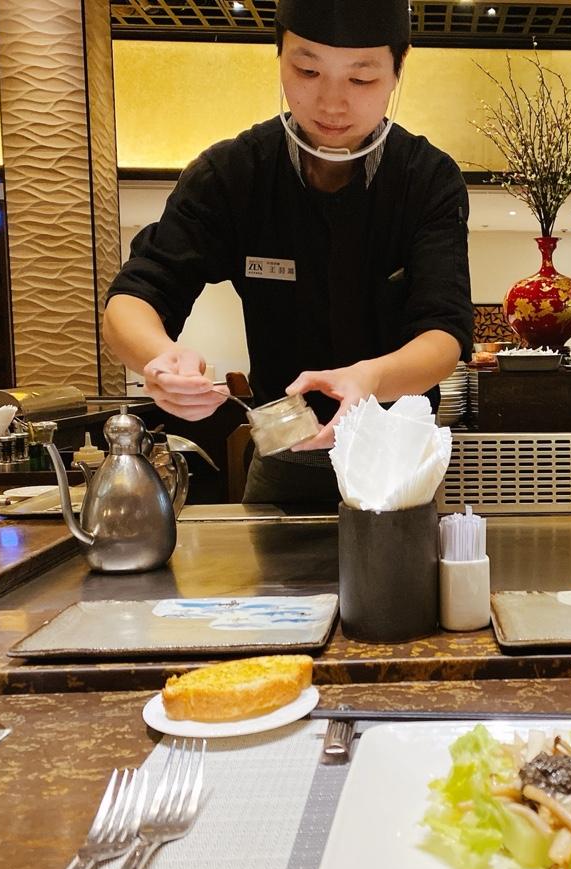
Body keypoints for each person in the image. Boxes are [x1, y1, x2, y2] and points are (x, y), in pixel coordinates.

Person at [103, 0, 472, 503]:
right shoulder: (233, 173)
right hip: (283, 457)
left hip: (396, 464)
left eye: (361, 79)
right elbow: (135, 296)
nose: (332, 104)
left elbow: (444, 335)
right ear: (279, 57)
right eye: (307, 71)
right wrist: (161, 360)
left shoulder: (427, 179)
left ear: (396, 72)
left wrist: (369, 379)